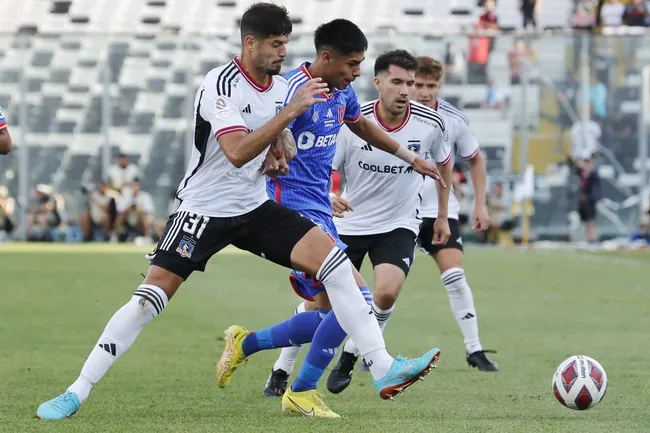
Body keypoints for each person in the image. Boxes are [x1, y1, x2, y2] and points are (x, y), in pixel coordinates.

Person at [36, 4, 442, 421]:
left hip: (255, 205)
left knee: (336, 266)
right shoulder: (222, 83)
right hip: (205, 208)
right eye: (275, 44)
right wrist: (287, 118)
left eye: (286, 43)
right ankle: (77, 390)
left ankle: (381, 366)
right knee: (149, 300)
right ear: (251, 43)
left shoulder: (284, 87)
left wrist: (279, 149)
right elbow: (234, 152)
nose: (283, 52)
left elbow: (276, 140)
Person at [217, 23, 447, 419]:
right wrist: (275, 148)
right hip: (290, 214)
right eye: (353, 64)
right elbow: (258, 138)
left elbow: (361, 125)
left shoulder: (341, 91)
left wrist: (411, 158)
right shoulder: (290, 90)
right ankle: (320, 385)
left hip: (321, 213)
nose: (357, 72)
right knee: (356, 299)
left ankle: (246, 344)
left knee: (332, 315)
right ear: (327, 58)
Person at [261, 49, 453, 397]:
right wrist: (330, 197)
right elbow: (324, 164)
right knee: (325, 310)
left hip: (398, 223)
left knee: (382, 293)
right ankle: (278, 366)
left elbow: (445, 162)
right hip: (346, 221)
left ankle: (353, 360)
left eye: (412, 83)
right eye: (398, 82)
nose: (407, 90)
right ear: (378, 83)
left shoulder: (431, 124)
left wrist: (441, 214)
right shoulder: (348, 114)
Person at [403, 56, 498, 371]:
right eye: (419, 85)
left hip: (439, 212)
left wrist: (480, 203)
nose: (425, 92)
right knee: (386, 287)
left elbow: (475, 159)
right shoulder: (391, 115)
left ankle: (475, 349)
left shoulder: (453, 119)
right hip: (397, 211)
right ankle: (364, 350)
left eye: (432, 86)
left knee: (455, 277)